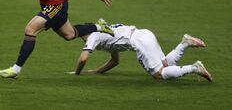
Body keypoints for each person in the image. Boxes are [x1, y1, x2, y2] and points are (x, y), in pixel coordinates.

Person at [68, 22, 213, 82]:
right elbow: (115, 61)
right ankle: (184, 43)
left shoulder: (93, 36)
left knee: (159, 74)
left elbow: (83, 59)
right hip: (144, 33)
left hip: (139, 42)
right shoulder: (103, 30)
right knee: (165, 64)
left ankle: (195, 68)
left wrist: (77, 73)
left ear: (82, 34)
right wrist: (97, 72)